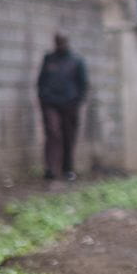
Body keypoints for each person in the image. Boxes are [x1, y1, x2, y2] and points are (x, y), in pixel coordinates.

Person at [37, 32, 89, 181]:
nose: (60, 44)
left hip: (69, 104)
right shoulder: (49, 59)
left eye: (62, 41)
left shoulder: (76, 61)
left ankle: (67, 168)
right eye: (57, 41)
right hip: (50, 103)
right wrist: (44, 98)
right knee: (53, 133)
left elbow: (83, 84)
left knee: (68, 136)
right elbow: (41, 81)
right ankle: (51, 169)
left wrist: (76, 101)